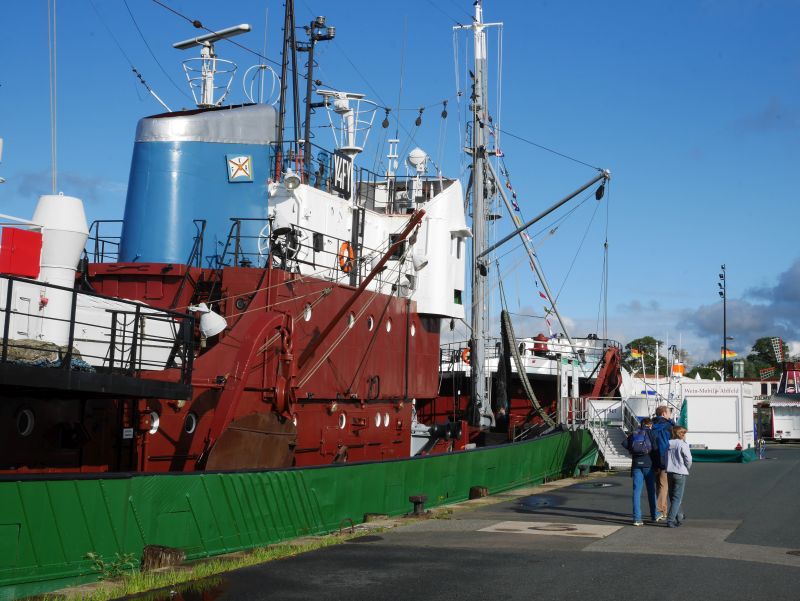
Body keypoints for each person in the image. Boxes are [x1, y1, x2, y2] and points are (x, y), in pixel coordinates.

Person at [622, 417, 658, 526]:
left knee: (636, 492)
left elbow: (624, 443)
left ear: (641, 424)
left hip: (637, 465)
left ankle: (637, 519)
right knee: (651, 491)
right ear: (650, 425)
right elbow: (656, 449)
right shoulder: (652, 433)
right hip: (649, 465)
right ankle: (654, 515)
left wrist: (632, 451)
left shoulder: (635, 433)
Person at [651, 405, 676, 521]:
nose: (670, 414)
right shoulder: (668, 426)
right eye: (669, 412)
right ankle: (659, 510)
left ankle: (663, 511)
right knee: (664, 485)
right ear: (663, 414)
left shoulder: (651, 425)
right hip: (665, 458)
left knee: (658, 486)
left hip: (652, 458)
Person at [665, 426, 692, 527]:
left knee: (672, 496)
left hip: (669, 471)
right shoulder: (683, 444)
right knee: (677, 497)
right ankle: (670, 519)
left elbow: (665, 457)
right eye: (684, 433)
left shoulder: (669, 443)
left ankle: (679, 516)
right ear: (681, 434)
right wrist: (687, 467)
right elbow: (688, 459)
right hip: (680, 472)